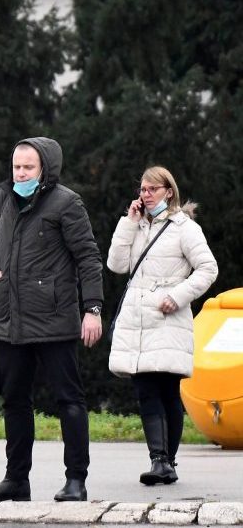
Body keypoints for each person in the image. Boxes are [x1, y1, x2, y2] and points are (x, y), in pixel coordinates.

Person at [0, 137, 104, 502]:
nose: (20, 173)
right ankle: (16, 480)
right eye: (16, 167)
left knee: (69, 401)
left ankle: (76, 480)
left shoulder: (67, 203)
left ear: (45, 169)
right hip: (8, 321)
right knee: (14, 402)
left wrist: (93, 309)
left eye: (28, 167)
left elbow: (88, 257)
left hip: (56, 321)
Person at [106, 166, 217, 486]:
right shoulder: (136, 225)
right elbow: (116, 265)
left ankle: (165, 461)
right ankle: (160, 460)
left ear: (169, 191)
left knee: (166, 390)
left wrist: (178, 295)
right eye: (142, 189)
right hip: (138, 320)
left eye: (152, 189)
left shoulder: (184, 228)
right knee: (145, 389)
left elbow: (208, 268)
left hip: (168, 318)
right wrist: (128, 222)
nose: (146, 194)